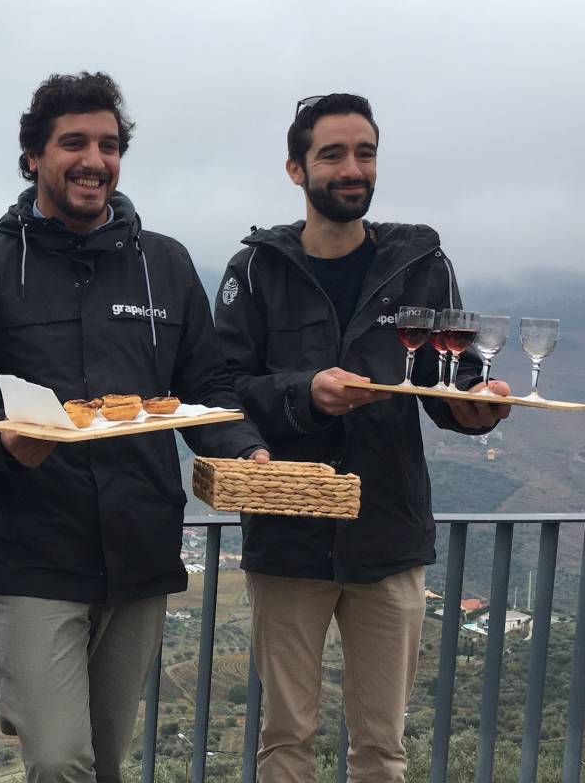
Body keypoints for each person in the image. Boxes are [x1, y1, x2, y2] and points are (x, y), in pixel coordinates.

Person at [0, 72, 269, 782]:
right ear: (33, 157)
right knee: (59, 761)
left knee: (103, 763)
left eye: (108, 145)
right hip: (32, 555)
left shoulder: (165, 266)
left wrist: (246, 450)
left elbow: (204, 387)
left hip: (141, 553)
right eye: (73, 142)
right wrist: (2, 439)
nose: (94, 159)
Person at [214, 93, 511, 782]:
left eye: (366, 153)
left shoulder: (421, 263)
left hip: (388, 533)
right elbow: (223, 385)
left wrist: (476, 407)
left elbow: (450, 377)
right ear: (296, 169)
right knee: (286, 737)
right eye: (334, 154)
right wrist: (306, 393)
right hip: (289, 532)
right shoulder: (254, 269)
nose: (354, 168)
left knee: (382, 748)